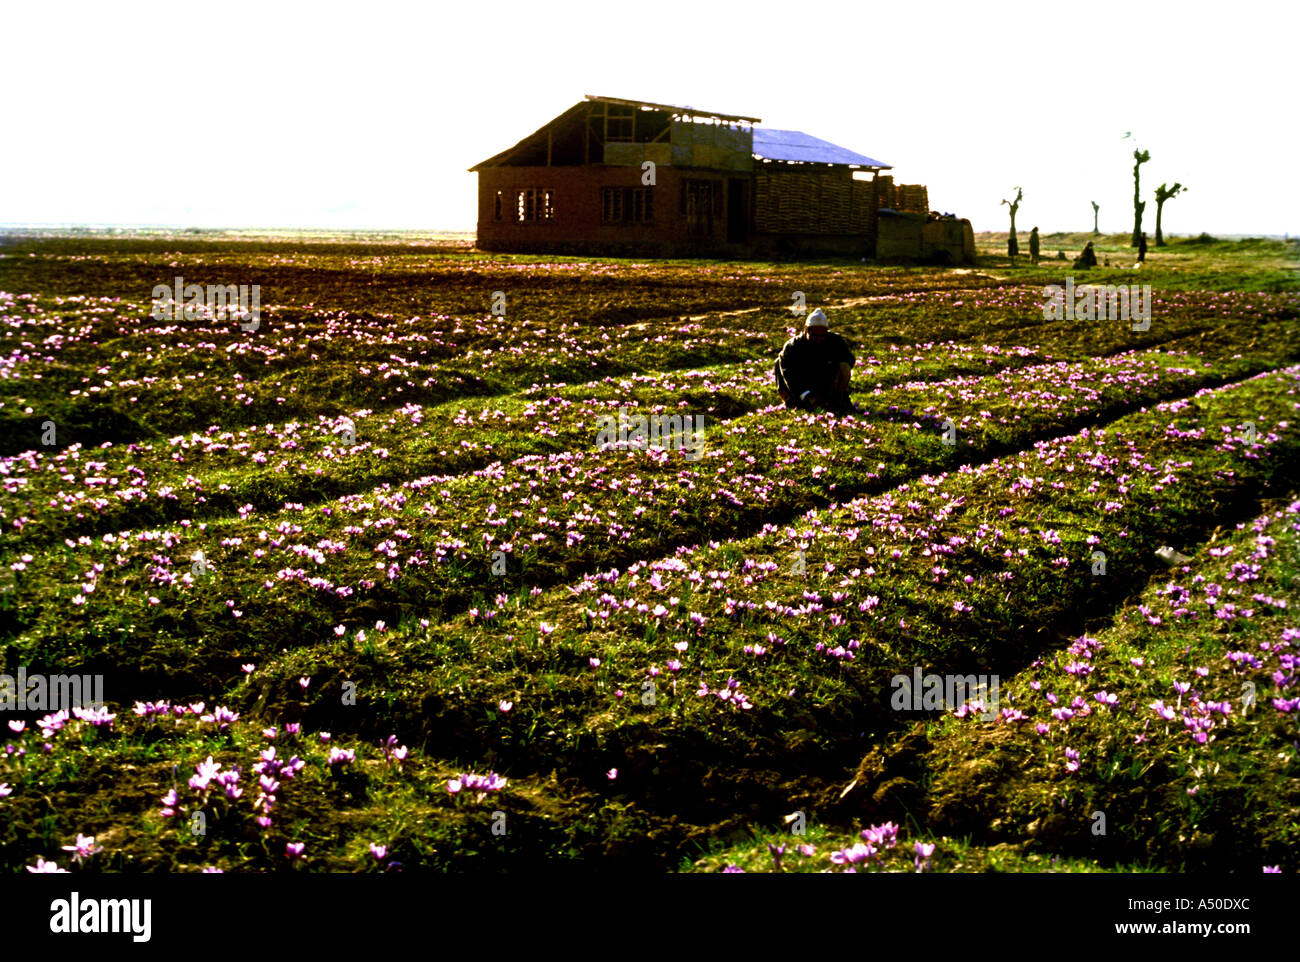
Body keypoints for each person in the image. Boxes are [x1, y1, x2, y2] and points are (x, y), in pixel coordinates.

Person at [774, 308, 858, 414]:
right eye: (814, 335)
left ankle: (838, 400)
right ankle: (793, 402)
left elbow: (849, 359)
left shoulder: (835, 341)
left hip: (825, 383)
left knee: (844, 366)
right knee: (778, 362)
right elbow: (789, 375)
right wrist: (806, 395)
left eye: (822, 335)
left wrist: (834, 376)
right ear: (806, 329)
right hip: (800, 388)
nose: (818, 339)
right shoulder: (793, 346)